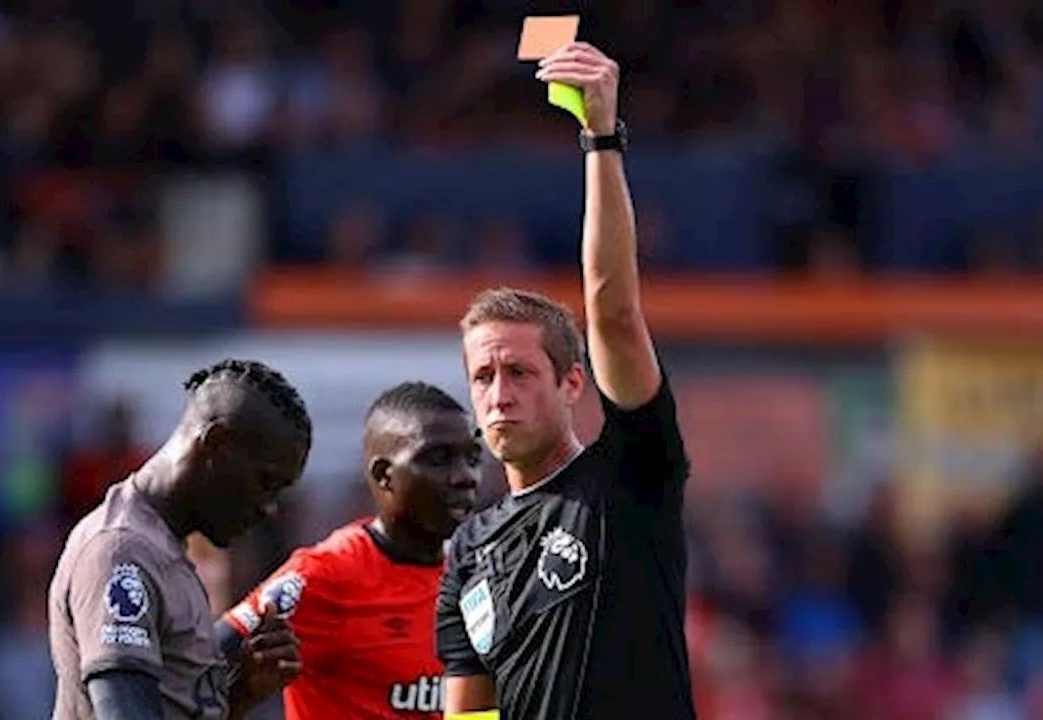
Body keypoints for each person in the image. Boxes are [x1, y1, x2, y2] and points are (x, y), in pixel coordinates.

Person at [436, 43, 696, 719]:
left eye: (520, 372)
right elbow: (469, 715)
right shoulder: (469, 547)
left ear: (573, 383)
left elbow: (611, 310)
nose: (499, 394)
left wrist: (601, 139)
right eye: (483, 376)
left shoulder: (631, 476)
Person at [49, 359, 313, 720]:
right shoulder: (121, 549)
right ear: (217, 444)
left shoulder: (166, 548)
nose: (268, 509)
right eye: (265, 484)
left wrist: (242, 692)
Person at [218, 381, 482, 719]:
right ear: (384, 475)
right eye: (439, 459)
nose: (465, 477)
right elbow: (198, 668)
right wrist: (243, 696)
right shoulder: (325, 574)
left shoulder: (477, 577)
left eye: (472, 458)